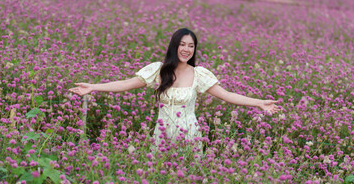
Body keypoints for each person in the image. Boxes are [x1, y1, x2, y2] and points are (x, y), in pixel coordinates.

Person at [69, 28, 280, 153]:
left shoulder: (199, 74)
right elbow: (126, 84)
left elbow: (227, 95)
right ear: (173, 46)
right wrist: (93, 87)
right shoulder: (158, 71)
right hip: (161, 134)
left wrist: (259, 103)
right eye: (182, 44)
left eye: (191, 46)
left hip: (189, 135)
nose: (186, 49)